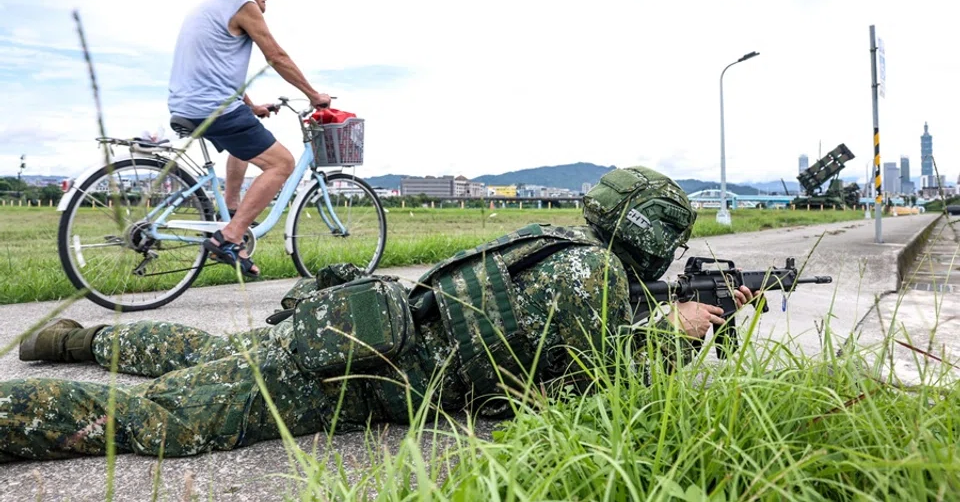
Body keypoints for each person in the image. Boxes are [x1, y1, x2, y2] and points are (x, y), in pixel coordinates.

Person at [1, 166, 760, 462]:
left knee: (210, 355)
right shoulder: (590, 280)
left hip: (353, 332)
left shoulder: (561, 247)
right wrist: (679, 331)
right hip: (353, 373)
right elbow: (593, 383)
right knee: (173, 421)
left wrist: (670, 320)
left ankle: (75, 337)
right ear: (651, 236)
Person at [167, 0, 332, 277]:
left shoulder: (209, 7)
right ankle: (229, 236)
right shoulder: (241, 4)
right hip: (213, 107)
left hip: (189, 104)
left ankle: (230, 209)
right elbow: (276, 55)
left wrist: (251, 105)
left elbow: (214, 70)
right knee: (281, 163)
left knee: (242, 141)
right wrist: (313, 94)